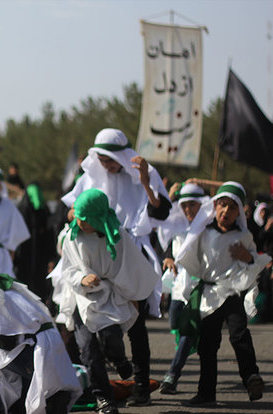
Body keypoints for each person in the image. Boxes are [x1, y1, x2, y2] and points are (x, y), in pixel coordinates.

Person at [62, 128, 171, 406]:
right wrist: (78, 214)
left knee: (136, 325)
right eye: (102, 159)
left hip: (129, 253)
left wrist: (146, 182)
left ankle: (141, 385)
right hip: (90, 253)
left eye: (112, 159)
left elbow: (161, 211)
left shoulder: (142, 174)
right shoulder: (89, 177)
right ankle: (89, 386)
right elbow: (71, 210)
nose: (108, 165)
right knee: (78, 321)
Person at [60, 189, 158, 414]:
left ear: (97, 218)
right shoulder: (71, 237)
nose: (79, 222)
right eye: (79, 217)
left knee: (111, 338)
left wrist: (132, 296)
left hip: (111, 295)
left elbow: (132, 267)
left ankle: (120, 360)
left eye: (84, 218)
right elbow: (67, 270)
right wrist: (82, 279)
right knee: (88, 349)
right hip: (82, 299)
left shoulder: (118, 236)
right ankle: (103, 399)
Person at [175, 181, 270, 406]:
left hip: (232, 294)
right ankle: (206, 393)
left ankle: (251, 377)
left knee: (239, 335)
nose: (226, 211)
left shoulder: (244, 237)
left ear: (239, 211)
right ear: (215, 206)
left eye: (232, 207)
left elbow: (255, 262)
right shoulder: (203, 233)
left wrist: (247, 257)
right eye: (222, 205)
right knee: (208, 344)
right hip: (209, 296)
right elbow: (187, 253)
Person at [0, 259, 82, 413]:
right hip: (48, 354)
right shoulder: (13, 292)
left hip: (37, 357)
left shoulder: (0, 299)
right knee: (3, 355)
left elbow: (5, 342)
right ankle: (30, 400)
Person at [156, 183, 208, 394]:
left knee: (188, 330)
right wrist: (167, 256)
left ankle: (172, 375)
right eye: (184, 205)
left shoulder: (208, 225)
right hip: (178, 286)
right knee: (175, 322)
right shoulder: (178, 224)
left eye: (193, 205)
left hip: (198, 286)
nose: (188, 210)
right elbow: (167, 239)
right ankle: (188, 346)